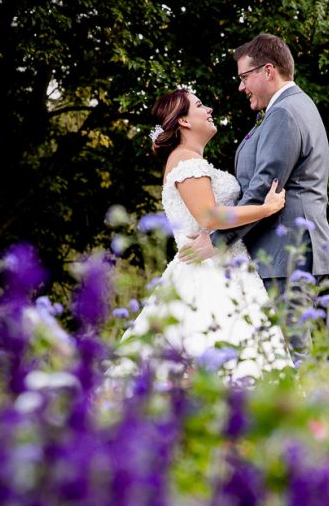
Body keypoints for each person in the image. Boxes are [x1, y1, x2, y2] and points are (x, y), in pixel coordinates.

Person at [108, 87, 293, 384]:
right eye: (200, 105)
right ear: (183, 121)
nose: (208, 110)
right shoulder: (186, 162)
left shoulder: (190, 161)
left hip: (224, 265)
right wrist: (266, 208)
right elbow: (209, 216)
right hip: (209, 275)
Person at [178, 32, 329, 357]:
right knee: (292, 358)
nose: (240, 87)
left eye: (244, 77)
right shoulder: (291, 109)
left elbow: (265, 189)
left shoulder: (285, 114)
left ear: (268, 71)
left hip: (286, 256)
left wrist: (217, 239)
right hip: (292, 254)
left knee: (292, 358)